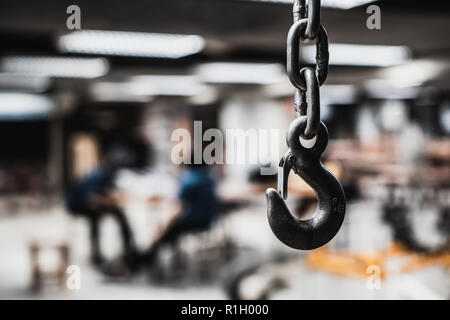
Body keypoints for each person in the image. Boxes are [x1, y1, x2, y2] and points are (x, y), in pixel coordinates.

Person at [65, 144, 145, 266]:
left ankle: (128, 251)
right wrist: (109, 203)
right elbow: (91, 199)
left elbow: (109, 192)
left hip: (88, 202)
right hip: (76, 204)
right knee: (98, 216)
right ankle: (97, 255)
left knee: (119, 214)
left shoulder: (109, 173)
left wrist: (113, 199)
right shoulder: (100, 174)